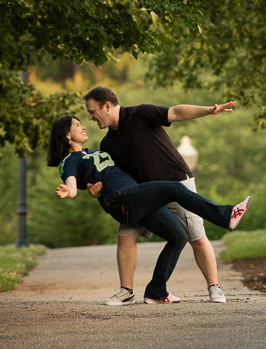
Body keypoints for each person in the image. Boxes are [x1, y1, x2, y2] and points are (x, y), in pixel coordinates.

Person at [48, 116, 252, 305]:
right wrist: (69, 191)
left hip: (136, 199)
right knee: (174, 188)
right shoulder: (69, 161)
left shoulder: (92, 152)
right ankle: (226, 215)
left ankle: (156, 291)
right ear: (67, 134)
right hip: (121, 198)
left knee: (178, 236)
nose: (83, 126)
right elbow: (72, 184)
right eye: (77, 125)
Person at [83, 86, 237, 306]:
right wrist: (95, 192)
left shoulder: (141, 114)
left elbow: (175, 112)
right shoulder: (107, 144)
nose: (90, 117)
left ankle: (214, 287)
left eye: (92, 111)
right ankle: (126, 291)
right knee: (125, 234)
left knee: (197, 237)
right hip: (144, 193)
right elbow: (112, 178)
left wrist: (210, 110)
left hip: (177, 183)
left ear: (107, 106)